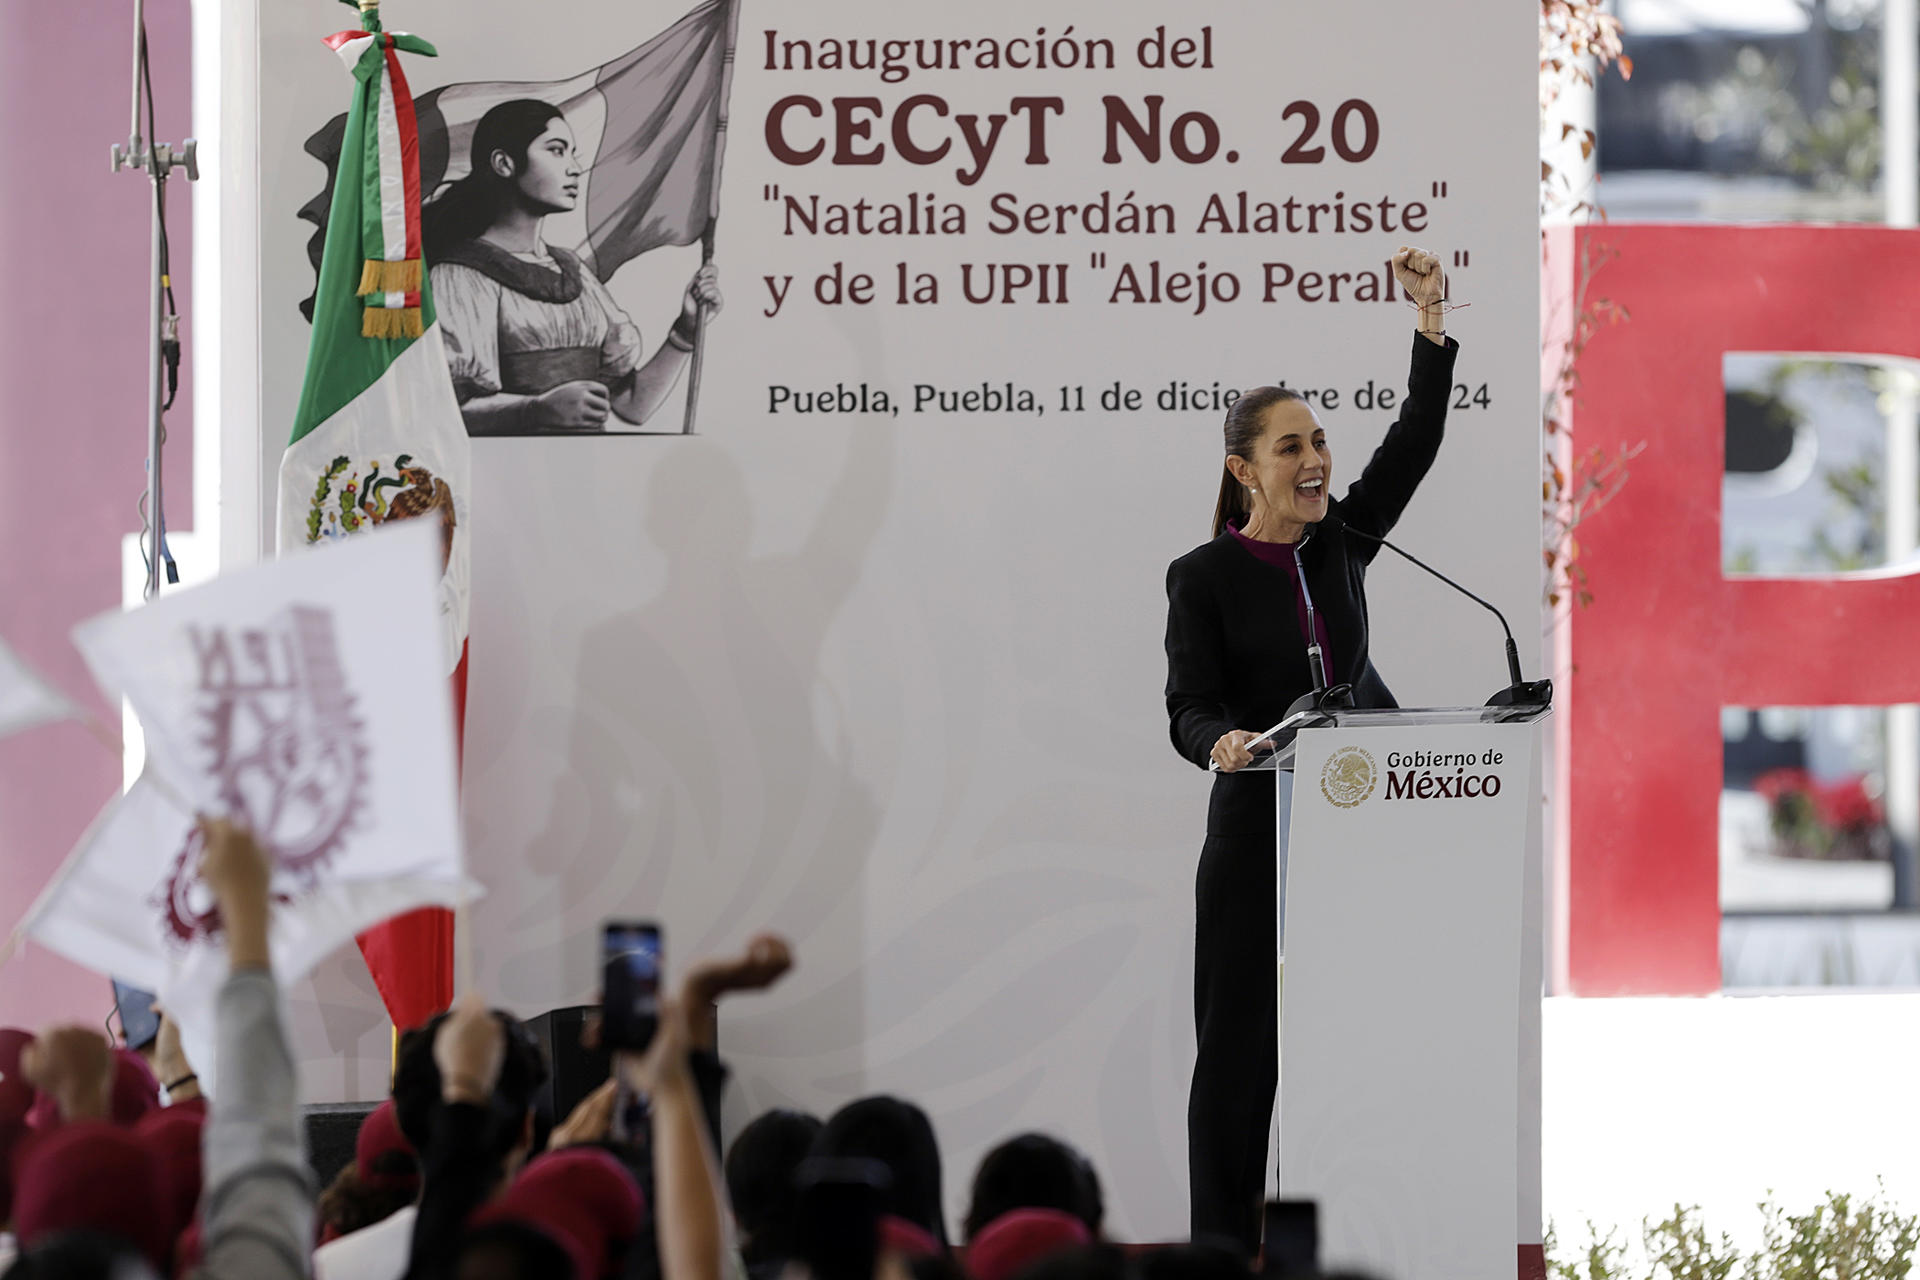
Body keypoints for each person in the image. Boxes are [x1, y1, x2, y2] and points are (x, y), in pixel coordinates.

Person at [1164, 245, 1456, 1253]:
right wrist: (1225, 741)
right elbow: (1187, 705)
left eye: (1320, 440)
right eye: (1291, 447)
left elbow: (1411, 446)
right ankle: (1219, 1252)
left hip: (1352, 825)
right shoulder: (1201, 575)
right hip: (1257, 830)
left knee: (1340, 1051)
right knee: (1239, 1062)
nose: (1315, 458)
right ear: (1246, 470)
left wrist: (1429, 327)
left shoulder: (1342, 542)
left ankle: (1346, 1243)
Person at [423, 98, 724, 435]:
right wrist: (535, 409)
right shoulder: (461, 276)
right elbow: (443, 412)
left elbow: (632, 406)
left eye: (572, 152)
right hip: (511, 475)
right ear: (504, 163)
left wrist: (685, 330)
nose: (574, 167)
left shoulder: (574, 271)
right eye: (556, 150)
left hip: (586, 471)